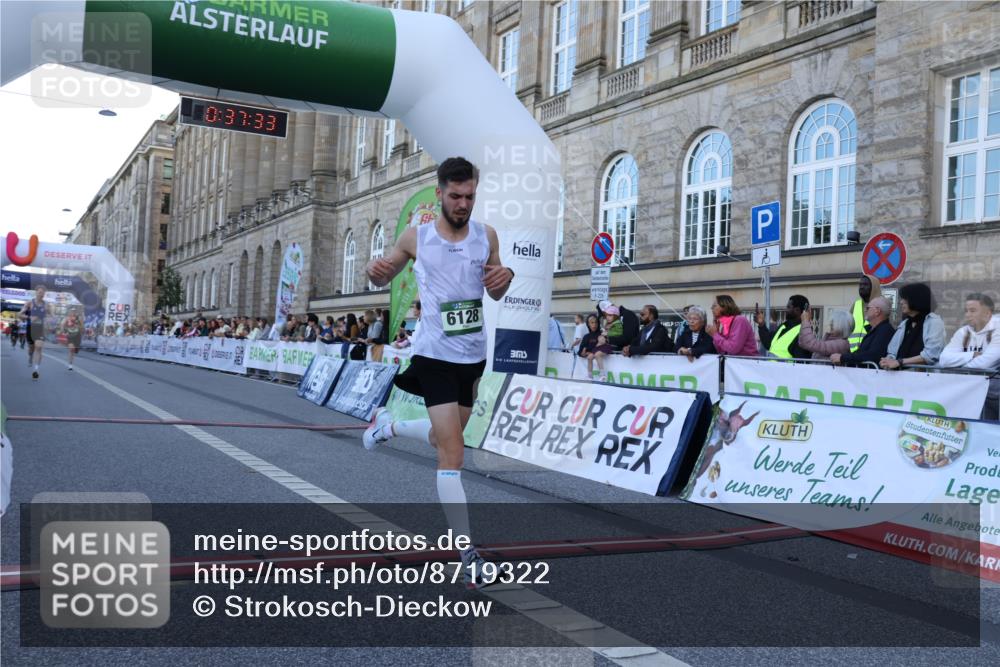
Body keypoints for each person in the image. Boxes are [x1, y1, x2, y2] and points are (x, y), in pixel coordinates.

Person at [361, 157, 515, 589]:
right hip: (433, 356)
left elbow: (497, 286)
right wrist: (375, 273)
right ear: (439, 193)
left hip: (472, 355)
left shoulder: (486, 236)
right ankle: (469, 556)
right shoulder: (417, 237)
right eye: (455, 196)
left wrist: (505, 277)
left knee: (441, 437)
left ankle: (387, 428)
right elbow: (383, 274)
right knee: (453, 455)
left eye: (470, 196)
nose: (463, 204)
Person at [939, 293, 1000, 421]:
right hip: (972, 392)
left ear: (987, 313)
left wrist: (956, 367)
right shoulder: (963, 331)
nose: (967, 315)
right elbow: (944, 360)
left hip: (994, 396)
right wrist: (971, 355)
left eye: (972, 311)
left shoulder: (997, 328)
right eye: (966, 311)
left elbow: (986, 364)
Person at [880, 283, 945, 370]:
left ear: (917, 299)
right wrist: (887, 361)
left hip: (924, 379)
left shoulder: (934, 322)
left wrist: (900, 362)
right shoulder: (905, 323)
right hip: (899, 378)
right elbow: (892, 351)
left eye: (905, 299)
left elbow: (930, 355)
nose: (901, 302)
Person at [830, 296, 895, 367]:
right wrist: (843, 358)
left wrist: (843, 358)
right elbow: (861, 353)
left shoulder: (885, 331)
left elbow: (872, 355)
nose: (865, 310)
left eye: (868, 308)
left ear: (877, 311)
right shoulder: (874, 330)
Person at [756, 295, 811, 359]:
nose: (786, 310)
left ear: (797, 310)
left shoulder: (803, 333)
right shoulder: (784, 326)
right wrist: (762, 324)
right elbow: (768, 343)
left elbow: (801, 364)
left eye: (788, 307)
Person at [20, 285, 50, 379]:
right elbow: (20, 314)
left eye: (43, 292)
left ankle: (36, 370)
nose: (41, 294)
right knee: (31, 348)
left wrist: (49, 320)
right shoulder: (29, 303)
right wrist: (29, 317)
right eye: (39, 292)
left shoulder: (46, 305)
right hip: (30, 328)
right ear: (36, 293)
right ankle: (30, 356)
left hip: (40, 329)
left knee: (39, 347)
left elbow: (52, 316)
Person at [848, 272, 882, 352]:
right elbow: (847, 327)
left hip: (869, 353)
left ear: (874, 287)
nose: (862, 287)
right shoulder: (856, 304)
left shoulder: (880, 305)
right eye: (860, 285)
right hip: (851, 354)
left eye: (865, 284)